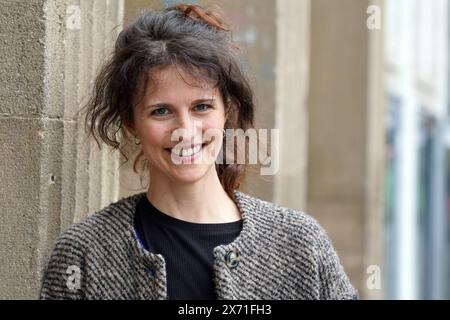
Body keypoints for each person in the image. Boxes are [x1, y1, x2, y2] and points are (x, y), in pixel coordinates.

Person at [40, 3, 357, 300]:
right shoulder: (83, 253)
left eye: (202, 107)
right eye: (161, 111)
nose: (186, 131)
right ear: (131, 123)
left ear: (226, 111)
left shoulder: (300, 244)